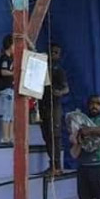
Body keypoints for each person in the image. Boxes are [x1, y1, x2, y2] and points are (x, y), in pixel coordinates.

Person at [40, 43, 69, 174]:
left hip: (55, 105)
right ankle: (52, 163)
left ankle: (57, 165)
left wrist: (59, 92)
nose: (53, 55)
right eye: (52, 52)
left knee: (55, 135)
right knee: (46, 135)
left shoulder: (59, 70)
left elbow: (66, 88)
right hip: (43, 104)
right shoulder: (42, 68)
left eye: (56, 53)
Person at [0, 34, 14, 144]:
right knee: (7, 113)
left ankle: (10, 137)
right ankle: (5, 137)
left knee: (11, 115)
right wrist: (14, 73)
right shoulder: (4, 58)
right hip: (6, 89)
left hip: (11, 89)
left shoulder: (11, 59)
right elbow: (3, 71)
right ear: (10, 45)